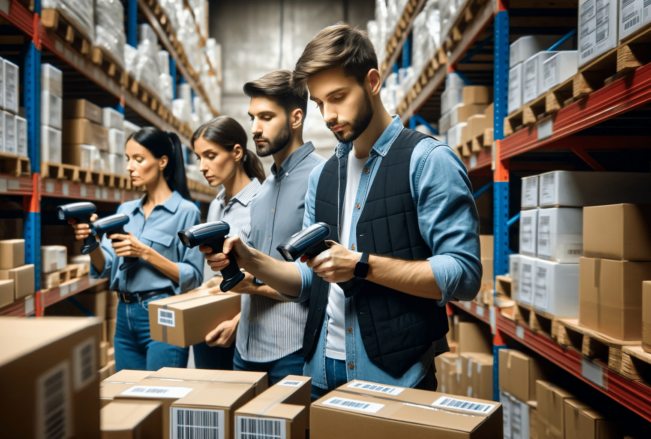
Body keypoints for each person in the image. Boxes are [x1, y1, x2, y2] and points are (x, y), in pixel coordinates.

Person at [201, 24, 482, 399]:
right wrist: (248, 258)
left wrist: (361, 265)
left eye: (338, 97)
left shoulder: (427, 161)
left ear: (372, 81)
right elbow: (305, 282)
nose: (329, 115)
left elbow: (463, 275)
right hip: (318, 370)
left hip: (391, 373)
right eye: (319, 103)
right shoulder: (324, 176)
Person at [201, 70, 325, 385]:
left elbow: (319, 283)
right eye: (252, 117)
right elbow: (256, 270)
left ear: (296, 118)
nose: (255, 128)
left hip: (293, 349)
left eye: (266, 117)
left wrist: (252, 284)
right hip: (246, 350)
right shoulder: (264, 189)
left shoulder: (322, 177)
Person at [71, 127, 203, 372]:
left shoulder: (186, 212)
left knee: (160, 399)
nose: (130, 167)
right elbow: (107, 267)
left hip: (163, 311)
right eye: (128, 159)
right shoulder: (125, 210)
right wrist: (92, 243)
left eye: (138, 159)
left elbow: (193, 276)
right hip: (124, 316)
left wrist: (144, 252)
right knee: (128, 397)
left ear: (162, 161)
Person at [189, 115, 266, 370]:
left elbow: (275, 275)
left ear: (236, 152)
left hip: (250, 329)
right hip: (214, 322)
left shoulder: (262, 203)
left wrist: (238, 321)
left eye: (210, 156)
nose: (202, 166)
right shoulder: (215, 206)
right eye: (199, 157)